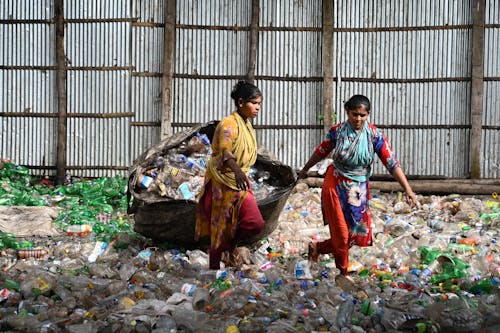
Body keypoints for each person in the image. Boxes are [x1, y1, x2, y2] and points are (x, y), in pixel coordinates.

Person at [298, 94, 417, 279]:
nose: (358, 119)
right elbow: (322, 150)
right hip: (336, 182)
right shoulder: (338, 132)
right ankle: (342, 272)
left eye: (362, 115)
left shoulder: (374, 136)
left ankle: (317, 248)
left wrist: (408, 190)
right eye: (354, 114)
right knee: (341, 232)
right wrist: (305, 169)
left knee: (357, 232)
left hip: (358, 187)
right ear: (347, 112)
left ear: (368, 115)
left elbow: (391, 163)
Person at [195, 80, 265, 270]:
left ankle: (231, 247)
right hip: (223, 183)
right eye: (254, 103)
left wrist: (241, 174)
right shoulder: (229, 124)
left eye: (259, 103)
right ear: (240, 103)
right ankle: (214, 272)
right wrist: (237, 171)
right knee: (220, 227)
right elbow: (225, 152)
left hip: (239, 181)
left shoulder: (247, 125)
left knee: (255, 224)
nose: (257, 107)